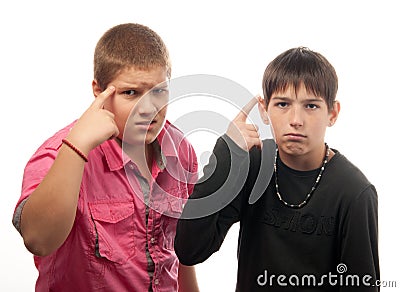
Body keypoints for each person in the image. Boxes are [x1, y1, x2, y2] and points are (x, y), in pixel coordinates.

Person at [12, 23, 199, 292]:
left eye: (159, 91)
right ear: (98, 91)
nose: (148, 109)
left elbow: (179, 248)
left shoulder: (180, 150)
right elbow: (38, 240)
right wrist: (77, 146)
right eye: (131, 93)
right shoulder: (58, 153)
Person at [175, 47, 379, 291]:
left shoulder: (354, 192)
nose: (296, 119)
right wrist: (227, 153)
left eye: (311, 106)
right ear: (264, 109)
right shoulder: (252, 166)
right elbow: (190, 249)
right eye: (283, 104)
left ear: (332, 113)